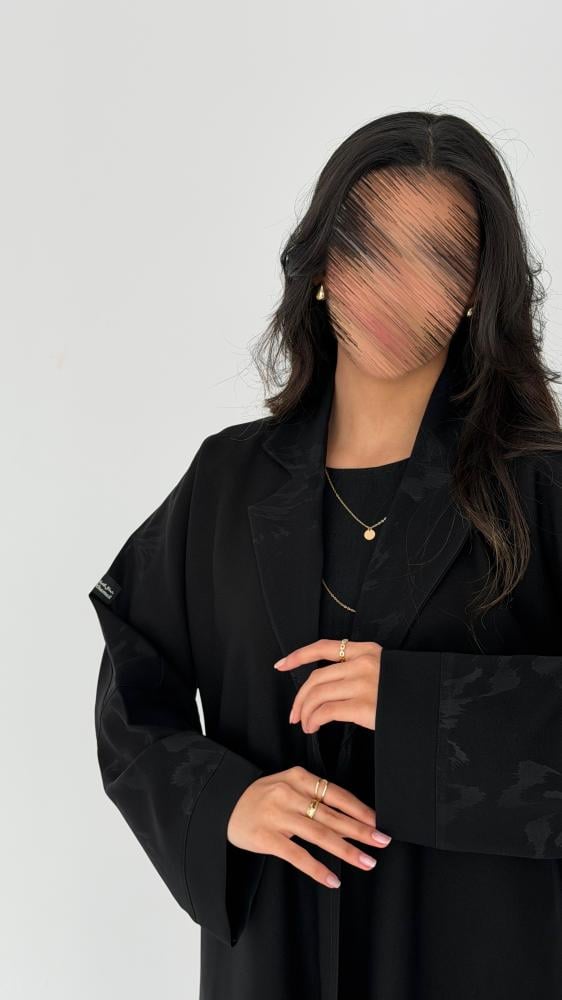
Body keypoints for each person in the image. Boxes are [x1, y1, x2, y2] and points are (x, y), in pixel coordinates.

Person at [88, 111, 562, 1000]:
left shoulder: (538, 488)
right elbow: (132, 686)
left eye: (438, 257)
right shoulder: (228, 483)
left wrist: (420, 707)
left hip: (481, 959)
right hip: (275, 959)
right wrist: (223, 801)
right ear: (320, 266)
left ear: (476, 292)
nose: (392, 287)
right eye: (367, 246)